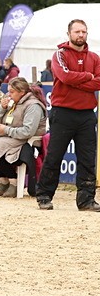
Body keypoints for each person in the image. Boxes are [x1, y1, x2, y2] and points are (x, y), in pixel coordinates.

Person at [35, 19, 100, 211]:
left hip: (87, 114)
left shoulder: (95, 58)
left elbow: (98, 82)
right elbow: (64, 76)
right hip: (63, 113)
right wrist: (88, 76)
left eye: (84, 32)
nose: (81, 35)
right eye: (77, 31)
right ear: (69, 34)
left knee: (87, 159)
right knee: (54, 156)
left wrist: (78, 80)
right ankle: (44, 195)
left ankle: (86, 200)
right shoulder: (60, 55)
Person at [0, 77, 48, 197]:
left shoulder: (33, 106)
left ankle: (14, 181)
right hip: (8, 138)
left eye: (12, 92)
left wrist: (6, 130)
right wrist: (2, 108)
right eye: (8, 91)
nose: (9, 95)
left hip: (25, 141)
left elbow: (28, 131)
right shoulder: (13, 102)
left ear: (22, 92)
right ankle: (3, 180)